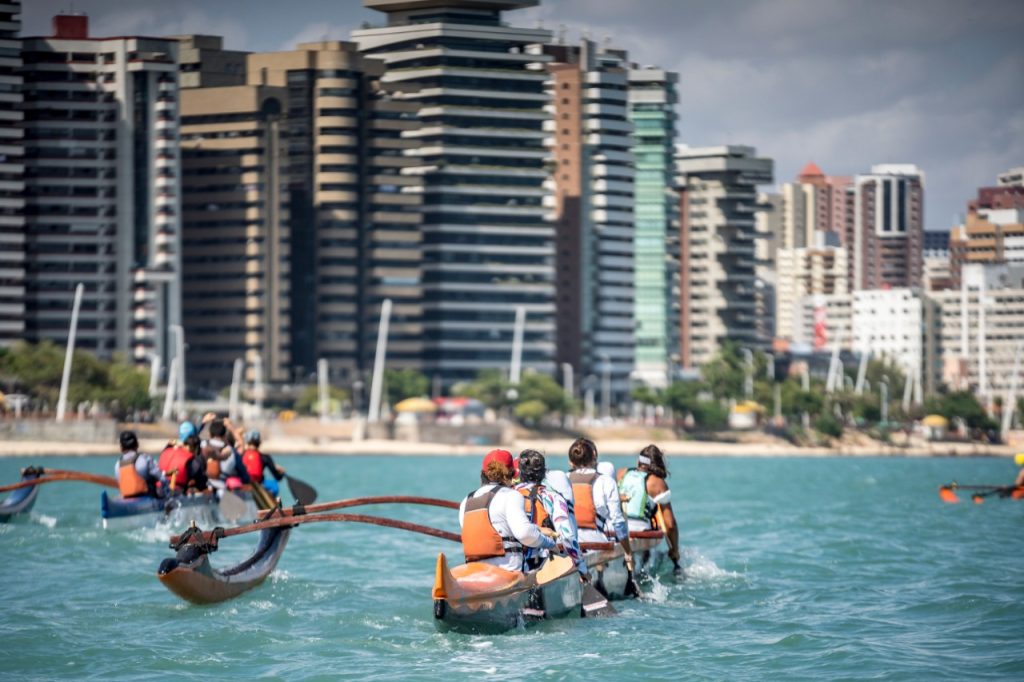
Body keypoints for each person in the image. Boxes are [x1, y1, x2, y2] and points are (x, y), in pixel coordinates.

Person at [459, 449, 557, 573]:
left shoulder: (466, 501)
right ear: (512, 473)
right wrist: (550, 544)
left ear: (483, 474)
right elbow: (525, 534)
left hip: (475, 572)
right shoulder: (512, 496)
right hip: (508, 572)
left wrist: (537, 529)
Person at [514, 449, 589, 579]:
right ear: (544, 472)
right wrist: (582, 568)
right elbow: (566, 536)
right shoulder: (552, 497)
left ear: (520, 472)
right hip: (542, 565)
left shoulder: (508, 495)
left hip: (514, 565)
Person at [567, 437, 634, 575]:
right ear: (594, 459)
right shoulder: (606, 481)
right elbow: (618, 522)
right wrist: (628, 552)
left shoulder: (564, 478)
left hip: (569, 543)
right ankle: (600, 572)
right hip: (596, 541)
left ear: (571, 462)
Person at [618, 444, 681, 576]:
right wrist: (674, 550)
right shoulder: (657, 483)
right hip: (638, 532)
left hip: (616, 529)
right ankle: (641, 572)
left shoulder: (621, 473)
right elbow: (669, 525)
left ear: (638, 462)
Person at [200, 416, 251, 490]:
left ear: (210, 435)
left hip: (204, 487)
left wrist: (203, 423)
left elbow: (191, 439)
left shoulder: (201, 445)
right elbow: (245, 477)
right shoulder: (232, 452)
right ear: (224, 436)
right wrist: (231, 427)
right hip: (223, 488)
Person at [158, 421, 207, 492]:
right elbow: (200, 481)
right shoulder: (193, 460)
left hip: (158, 487)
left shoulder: (167, 450)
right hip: (175, 490)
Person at [114, 430, 165, 498]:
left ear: (121, 448)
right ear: (137, 444)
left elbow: (119, 483)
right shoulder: (146, 459)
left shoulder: (117, 465)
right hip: (147, 497)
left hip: (126, 498)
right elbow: (162, 479)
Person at [242, 431, 285, 497]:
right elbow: (277, 477)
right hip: (259, 484)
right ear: (259, 442)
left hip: (244, 484)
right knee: (275, 486)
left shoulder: (242, 454)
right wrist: (282, 472)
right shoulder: (265, 457)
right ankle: (269, 500)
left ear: (248, 442)